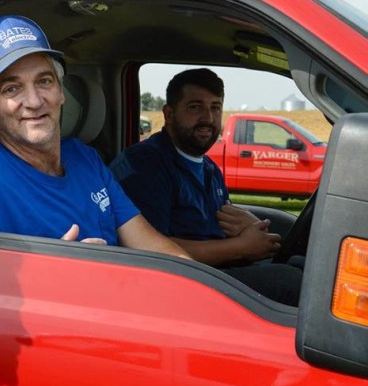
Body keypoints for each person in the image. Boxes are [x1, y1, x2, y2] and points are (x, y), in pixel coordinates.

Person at [0, 14, 190, 259]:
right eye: (11, 88)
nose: (34, 101)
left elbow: (146, 241)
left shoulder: (84, 157)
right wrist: (53, 275)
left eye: (44, 81)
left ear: (61, 92)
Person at [110, 68, 302, 305]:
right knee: (289, 282)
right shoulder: (145, 165)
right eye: (195, 107)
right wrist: (240, 247)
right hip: (182, 284)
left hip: (218, 271)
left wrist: (250, 227)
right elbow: (150, 249)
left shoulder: (209, 168)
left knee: (303, 266)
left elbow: (227, 223)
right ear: (169, 114)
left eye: (215, 107)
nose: (208, 118)